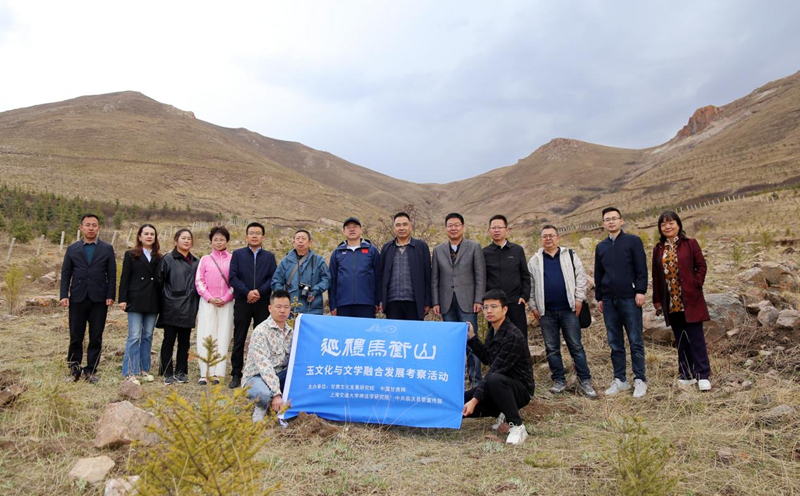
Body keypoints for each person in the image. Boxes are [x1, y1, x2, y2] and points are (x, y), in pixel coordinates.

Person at [527, 225, 596, 399]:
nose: (548, 239)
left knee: (576, 346)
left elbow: (581, 278)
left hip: (569, 310)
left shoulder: (570, 255)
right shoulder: (534, 260)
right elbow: (531, 286)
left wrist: (579, 299)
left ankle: (585, 380)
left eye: (551, 235)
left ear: (558, 238)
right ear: (541, 239)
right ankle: (559, 380)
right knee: (551, 348)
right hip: (546, 312)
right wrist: (533, 306)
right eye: (544, 236)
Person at [462, 289, 535, 445]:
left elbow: (494, 371)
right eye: (486, 307)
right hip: (497, 387)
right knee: (460, 402)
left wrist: (475, 401)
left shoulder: (513, 335)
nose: (489, 311)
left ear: (505, 309)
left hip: (519, 390)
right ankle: (502, 411)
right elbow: (487, 358)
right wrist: (472, 338)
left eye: (494, 306)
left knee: (493, 380)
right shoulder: (494, 331)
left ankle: (517, 425)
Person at [652, 211, 712, 391]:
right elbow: (656, 276)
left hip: (690, 298)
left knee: (696, 338)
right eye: (663, 224)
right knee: (681, 338)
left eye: (671, 223)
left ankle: (702, 375)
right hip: (671, 301)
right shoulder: (658, 249)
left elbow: (701, 265)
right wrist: (657, 300)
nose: (667, 227)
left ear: (678, 225)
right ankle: (686, 374)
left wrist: (696, 283)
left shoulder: (690, 243)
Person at [594, 207, 648, 398]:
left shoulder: (633, 241)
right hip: (609, 300)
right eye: (607, 219)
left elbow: (641, 268)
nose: (611, 222)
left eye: (614, 218)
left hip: (630, 298)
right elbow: (598, 273)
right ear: (603, 224)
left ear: (621, 221)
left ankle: (640, 379)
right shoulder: (601, 247)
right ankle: (620, 380)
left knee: (635, 340)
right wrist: (599, 297)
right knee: (615, 342)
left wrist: (640, 291)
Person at [60, 214, 116, 384]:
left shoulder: (107, 249)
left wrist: (110, 295)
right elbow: (66, 273)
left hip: (99, 298)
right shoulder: (72, 248)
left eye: (94, 225)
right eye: (87, 225)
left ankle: (91, 369)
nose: (91, 228)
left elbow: (112, 274)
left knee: (96, 335)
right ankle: (74, 369)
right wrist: (63, 295)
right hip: (77, 297)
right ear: (81, 227)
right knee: (75, 335)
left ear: (99, 228)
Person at [432, 213, 486, 386]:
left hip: (468, 301)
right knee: (452, 343)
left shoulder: (474, 247)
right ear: (446, 228)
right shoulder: (438, 250)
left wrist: (479, 299)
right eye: (450, 225)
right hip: (446, 302)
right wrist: (436, 302)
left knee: (471, 340)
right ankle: (454, 380)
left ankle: (475, 380)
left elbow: (480, 276)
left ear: (463, 227)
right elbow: (435, 278)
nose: (453, 228)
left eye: (456, 225)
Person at [228, 222, 277, 388]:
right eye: (251, 233)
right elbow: (233, 277)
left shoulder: (269, 257)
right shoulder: (238, 254)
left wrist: (258, 292)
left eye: (257, 233)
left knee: (261, 339)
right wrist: (247, 292)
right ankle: (236, 373)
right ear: (246, 236)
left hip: (262, 302)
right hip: (243, 301)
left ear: (263, 237)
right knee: (239, 338)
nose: (254, 236)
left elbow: (272, 278)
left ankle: (258, 373)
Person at [119, 224, 162, 384]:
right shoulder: (131, 255)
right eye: (146, 234)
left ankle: (144, 369)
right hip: (135, 299)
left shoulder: (159, 257)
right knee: (134, 335)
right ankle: (130, 371)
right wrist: (122, 299)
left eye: (152, 234)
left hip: (153, 300)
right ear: (139, 236)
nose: (149, 236)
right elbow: (125, 277)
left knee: (148, 335)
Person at [243, 290, 294, 423]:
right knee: (264, 394)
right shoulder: (261, 331)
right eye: (278, 307)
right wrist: (276, 393)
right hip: (257, 377)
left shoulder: (291, 332)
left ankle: (286, 408)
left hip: (279, 375)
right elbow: (264, 366)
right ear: (270, 308)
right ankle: (262, 407)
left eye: (286, 307)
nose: (282, 311)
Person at [157, 229, 200, 386]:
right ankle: (167, 372)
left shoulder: (196, 261)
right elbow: (159, 282)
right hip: (171, 306)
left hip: (189, 307)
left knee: (185, 341)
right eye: (183, 238)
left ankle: (181, 372)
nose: (186, 241)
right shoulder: (168, 259)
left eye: (189, 238)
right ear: (176, 240)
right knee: (169, 340)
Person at [195, 226, 234, 385]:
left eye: (222, 239)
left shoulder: (233, 259)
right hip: (208, 303)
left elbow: (235, 281)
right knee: (206, 334)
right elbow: (199, 281)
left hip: (227, 303)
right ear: (211, 241)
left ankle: (219, 372)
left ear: (227, 241)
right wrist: (209, 298)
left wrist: (226, 297)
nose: (218, 242)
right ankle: (205, 372)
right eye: (215, 239)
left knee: (223, 334)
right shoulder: (205, 259)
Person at [483, 215, 531, 338]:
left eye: (500, 227)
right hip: (494, 304)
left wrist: (524, 296)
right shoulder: (484, 252)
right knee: (497, 337)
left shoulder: (517, 250)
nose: (496, 230)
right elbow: (482, 278)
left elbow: (525, 275)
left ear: (507, 230)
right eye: (494, 228)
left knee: (519, 336)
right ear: (489, 231)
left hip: (515, 302)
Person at [379, 212, 432, 321]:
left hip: (415, 301)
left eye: (405, 224)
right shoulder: (387, 248)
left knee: (414, 331)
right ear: (394, 228)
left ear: (410, 226)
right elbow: (381, 275)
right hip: (392, 302)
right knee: (394, 331)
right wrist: (381, 299)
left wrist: (427, 301)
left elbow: (428, 275)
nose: (401, 228)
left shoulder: (421, 246)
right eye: (398, 225)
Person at [328, 217, 381, 318]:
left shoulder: (372, 250)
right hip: (343, 304)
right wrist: (333, 304)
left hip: (367, 302)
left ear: (361, 230)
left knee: (366, 328)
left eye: (355, 227)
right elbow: (333, 280)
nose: (352, 229)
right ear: (344, 231)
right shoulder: (337, 253)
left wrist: (378, 301)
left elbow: (378, 277)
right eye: (348, 227)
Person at [271, 229, 331, 316]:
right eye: (298, 238)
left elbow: (327, 279)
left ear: (310, 242)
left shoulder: (318, 260)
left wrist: (315, 290)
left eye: (303, 238)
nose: (300, 241)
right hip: (290, 309)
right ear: (294, 242)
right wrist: (284, 296)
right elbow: (276, 281)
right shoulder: (286, 261)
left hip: (313, 308)